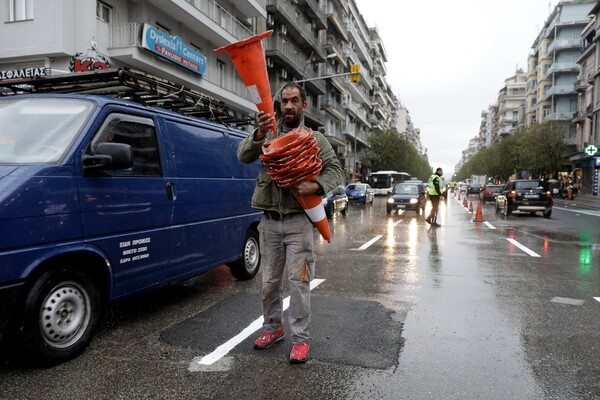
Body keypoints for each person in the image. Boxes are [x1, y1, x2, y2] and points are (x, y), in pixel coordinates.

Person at [237, 82, 344, 363]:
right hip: (269, 221)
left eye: (294, 101)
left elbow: (336, 171)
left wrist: (316, 186)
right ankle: (273, 328)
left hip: (299, 223)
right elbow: (243, 155)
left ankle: (300, 339)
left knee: (299, 283)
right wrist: (258, 134)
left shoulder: (315, 139)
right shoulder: (267, 132)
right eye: (284, 101)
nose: (288, 106)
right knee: (269, 282)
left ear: (303, 105)